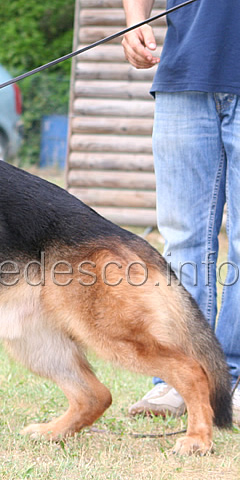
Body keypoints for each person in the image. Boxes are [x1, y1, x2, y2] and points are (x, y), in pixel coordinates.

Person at [121, 0, 239, 422]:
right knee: (182, 239)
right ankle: (179, 376)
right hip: (185, 72)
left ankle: (236, 381)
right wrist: (135, 20)